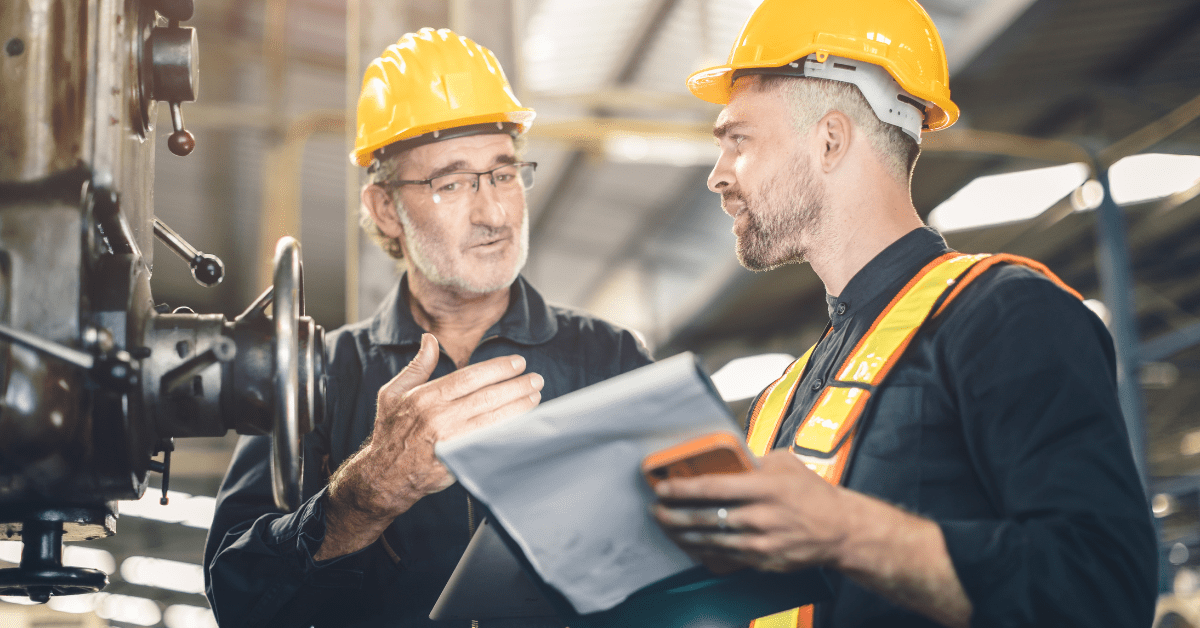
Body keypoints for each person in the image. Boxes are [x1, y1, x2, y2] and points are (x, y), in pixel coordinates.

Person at [651, 1, 1158, 627]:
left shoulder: (1006, 316)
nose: (718, 176)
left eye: (738, 140)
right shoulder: (782, 396)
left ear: (830, 139)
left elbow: (1103, 591)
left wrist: (847, 531)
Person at [204, 28, 651, 628]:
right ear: (385, 208)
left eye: (503, 173)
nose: (494, 213)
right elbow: (237, 597)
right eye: (452, 183)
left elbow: (687, 561)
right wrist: (365, 493)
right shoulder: (320, 374)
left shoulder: (610, 359)